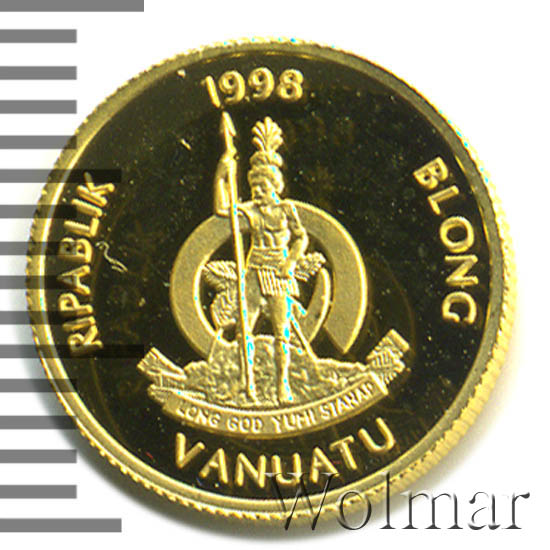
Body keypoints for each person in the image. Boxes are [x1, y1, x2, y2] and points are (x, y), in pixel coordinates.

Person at [213, 117, 308, 404]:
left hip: (279, 272)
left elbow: (301, 237)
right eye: (254, 186)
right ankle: (247, 384)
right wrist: (221, 175)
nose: (257, 191)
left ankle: (283, 386)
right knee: (245, 330)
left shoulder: (286, 209)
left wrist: (291, 262)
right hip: (254, 270)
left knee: (282, 332)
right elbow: (222, 209)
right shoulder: (251, 209)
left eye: (263, 186)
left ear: (275, 185)